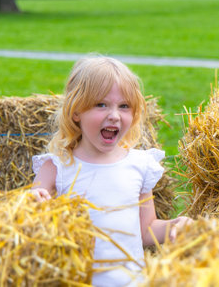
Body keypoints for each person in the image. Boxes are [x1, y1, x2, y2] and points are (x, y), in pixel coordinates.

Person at [30, 55, 192, 286]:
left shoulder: (139, 165)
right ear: (76, 111)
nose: (114, 115)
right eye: (101, 104)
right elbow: (27, 216)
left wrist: (174, 226)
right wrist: (32, 201)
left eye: (124, 106)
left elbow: (146, 230)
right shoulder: (57, 167)